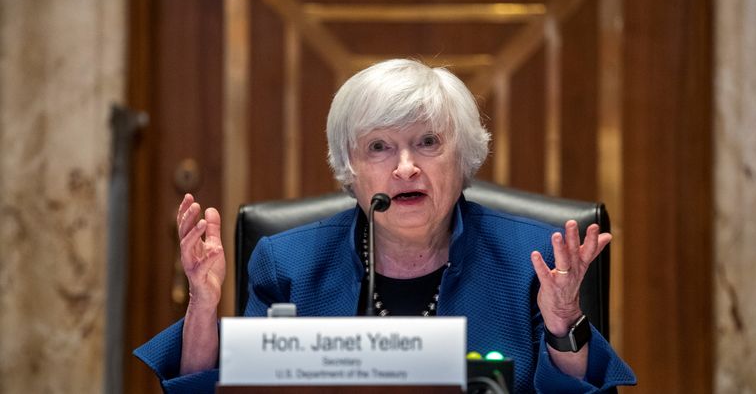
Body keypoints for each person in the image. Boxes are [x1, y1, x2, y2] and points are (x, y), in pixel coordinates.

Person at [135, 58, 636, 392]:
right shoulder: (287, 264)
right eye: (378, 146)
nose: (404, 168)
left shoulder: (531, 260)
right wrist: (203, 305)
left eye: (428, 142)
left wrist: (563, 324)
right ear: (349, 169)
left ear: (463, 158)